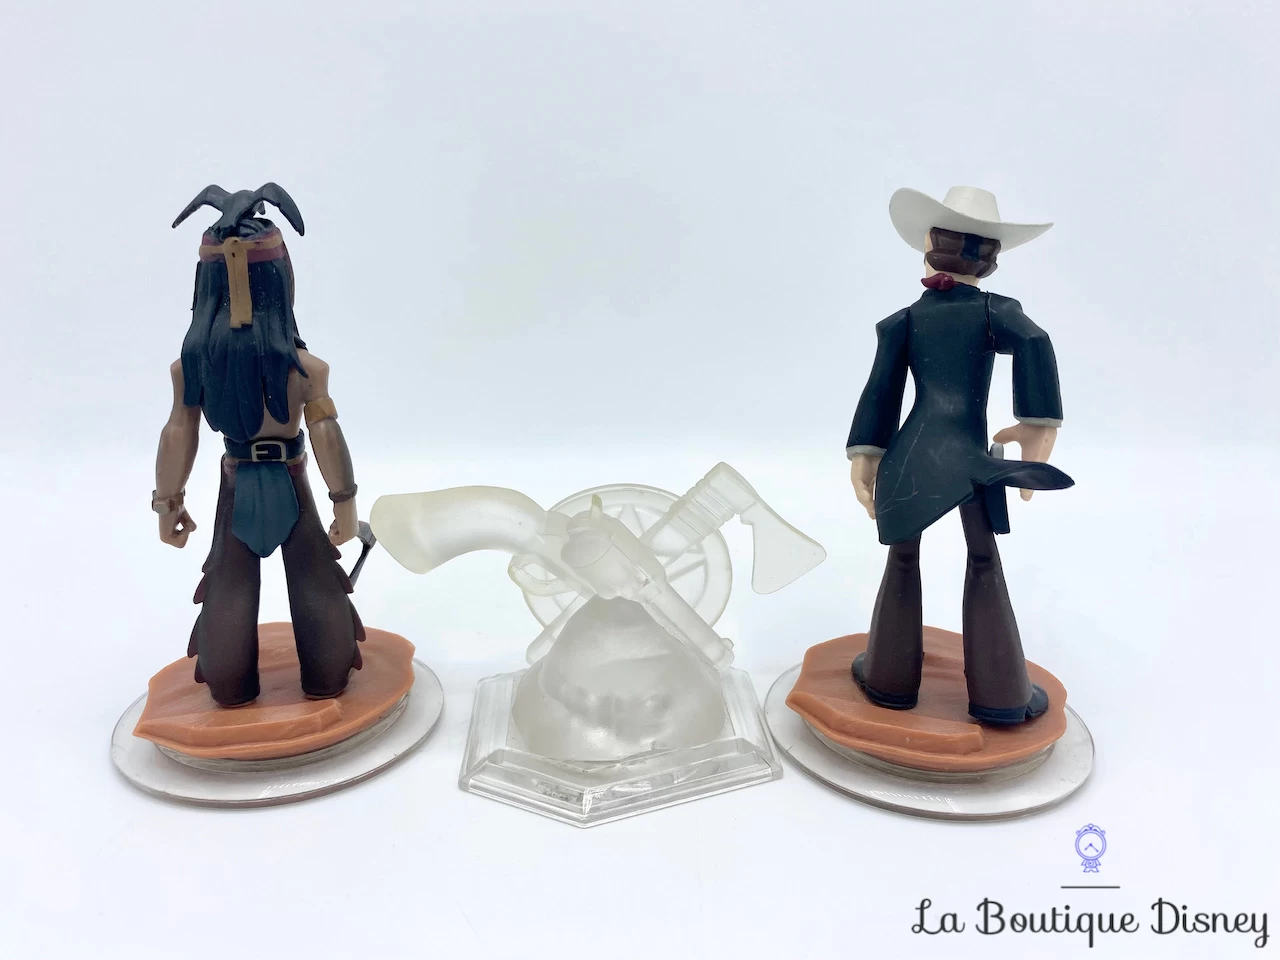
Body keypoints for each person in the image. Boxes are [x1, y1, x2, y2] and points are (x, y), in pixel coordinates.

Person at [847, 185, 1073, 726]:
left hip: (912, 453)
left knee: (903, 559)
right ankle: (1000, 696)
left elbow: (881, 391)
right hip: (972, 458)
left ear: (929, 246)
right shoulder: (996, 312)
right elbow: (1036, 342)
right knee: (983, 559)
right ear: (991, 258)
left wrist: (866, 454)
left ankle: (888, 679)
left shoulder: (902, 321)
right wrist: (1038, 423)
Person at [152, 184, 364, 706]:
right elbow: (324, 433)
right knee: (307, 583)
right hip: (288, 479)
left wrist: (168, 503)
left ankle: (237, 686)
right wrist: (345, 505)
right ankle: (318, 678)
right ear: (280, 279)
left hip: (239, 480)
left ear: (205, 286)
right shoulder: (305, 369)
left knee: (232, 586)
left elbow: (179, 430)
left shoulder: (194, 366)